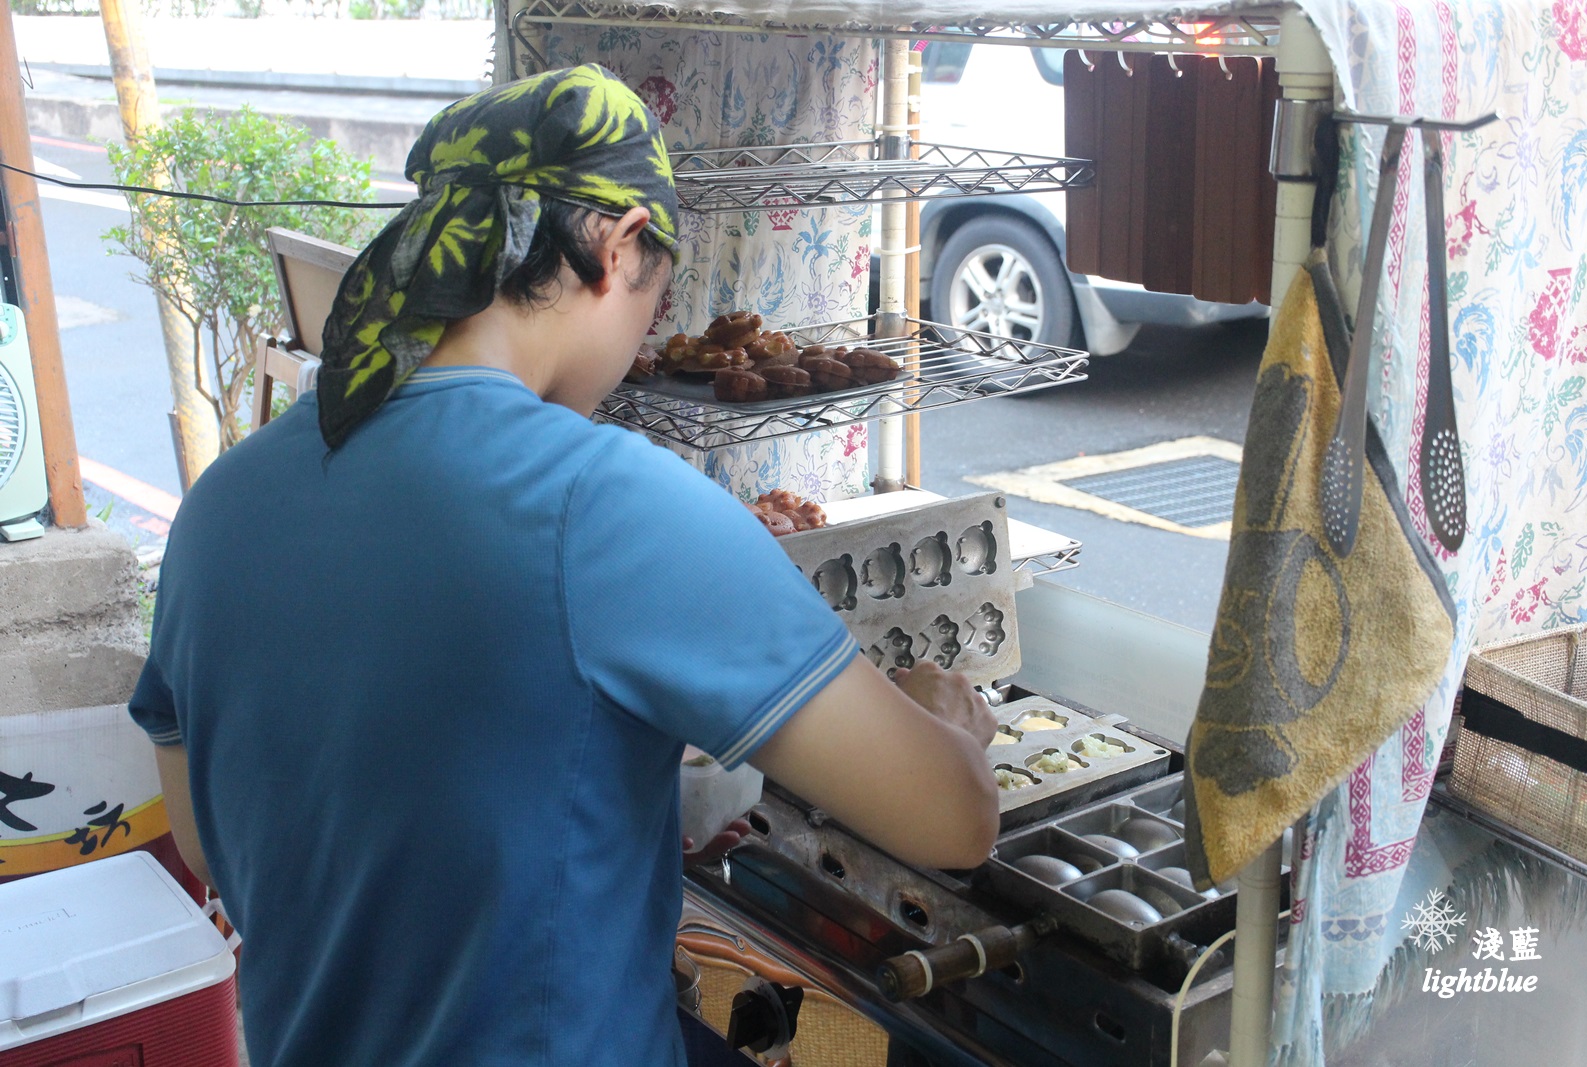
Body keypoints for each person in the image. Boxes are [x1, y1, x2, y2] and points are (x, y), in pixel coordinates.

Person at [130, 65, 998, 1067]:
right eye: (656, 299)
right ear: (617, 242)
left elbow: (212, 836)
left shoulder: (223, 503)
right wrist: (949, 721)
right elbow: (952, 821)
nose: (638, 350)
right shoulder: (606, 502)